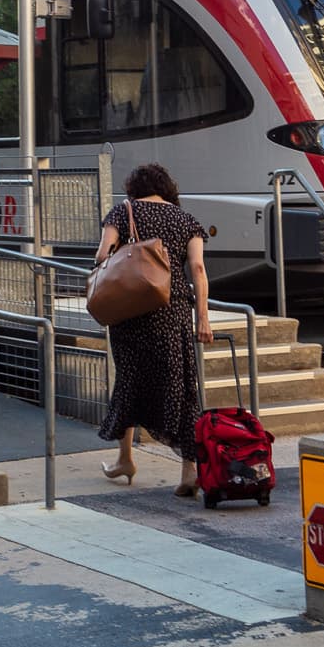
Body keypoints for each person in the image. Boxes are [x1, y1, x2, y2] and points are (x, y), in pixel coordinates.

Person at [93, 162, 211, 496]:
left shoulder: (122, 212)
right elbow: (198, 269)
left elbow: (103, 255)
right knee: (183, 386)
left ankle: (126, 459)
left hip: (130, 310)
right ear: (167, 187)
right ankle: (189, 471)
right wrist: (202, 317)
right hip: (172, 312)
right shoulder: (186, 219)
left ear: (134, 188)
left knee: (130, 379)